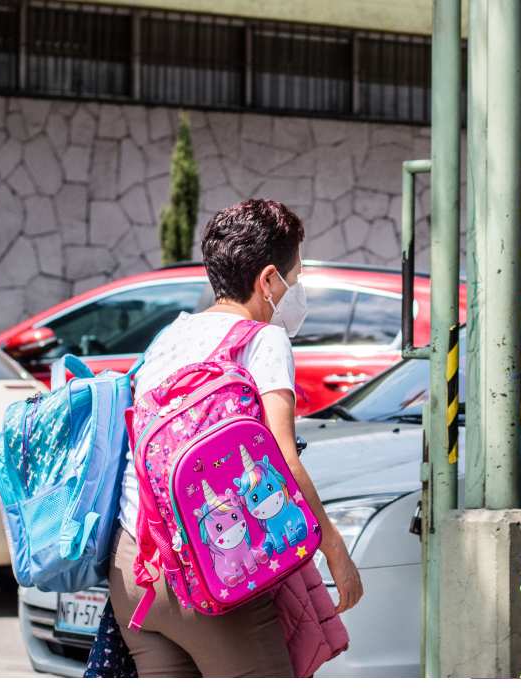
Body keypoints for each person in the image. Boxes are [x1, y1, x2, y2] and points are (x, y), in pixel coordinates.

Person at [107, 200, 363, 676]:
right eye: (297, 276)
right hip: (211, 571)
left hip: (134, 572)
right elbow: (284, 459)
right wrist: (334, 549)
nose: (297, 289)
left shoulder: (170, 336)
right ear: (269, 280)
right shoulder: (262, 340)